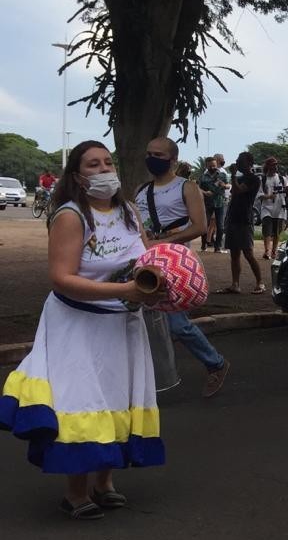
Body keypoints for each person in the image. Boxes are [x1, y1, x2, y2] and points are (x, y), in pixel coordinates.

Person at [0, 140, 165, 520]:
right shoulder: (70, 216)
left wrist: (161, 285)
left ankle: (105, 482)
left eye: (108, 161)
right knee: (81, 402)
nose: (105, 169)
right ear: (77, 175)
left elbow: (146, 257)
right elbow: (61, 278)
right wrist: (124, 290)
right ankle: (75, 493)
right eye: (93, 164)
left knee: (117, 398)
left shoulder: (128, 211)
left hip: (122, 322)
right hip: (77, 323)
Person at [137, 137, 231, 396]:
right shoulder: (141, 190)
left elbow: (199, 227)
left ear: (173, 160)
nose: (152, 158)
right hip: (145, 260)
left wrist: (163, 241)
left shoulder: (186, 187)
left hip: (173, 263)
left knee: (176, 323)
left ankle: (216, 363)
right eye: (149, 153)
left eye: (158, 154)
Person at [220, 152, 264, 294]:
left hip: (244, 219)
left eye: (240, 161)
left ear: (249, 163)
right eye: (237, 160)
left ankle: (260, 282)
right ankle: (235, 284)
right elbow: (234, 192)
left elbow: (238, 190)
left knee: (248, 253)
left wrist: (232, 175)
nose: (237, 163)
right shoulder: (240, 178)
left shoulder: (254, 179)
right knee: (234, 253)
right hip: (234, 217)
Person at [259, 157, 288, 259]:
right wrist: (269, 196)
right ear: (268, 166)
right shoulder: (262, 179)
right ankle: (267, 251)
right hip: (267, 208)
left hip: (280, 208)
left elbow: (287, 190)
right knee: (267, 229)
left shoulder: (282, 179)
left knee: (277, 232)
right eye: (273, 165)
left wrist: (287, 190)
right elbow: (259, 195)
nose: (275, 166)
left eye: (276, 164)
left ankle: (274, 252)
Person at [198, 156, 227, 253]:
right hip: (207, 203)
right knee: (205, 225)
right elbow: (198, 188)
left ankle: (217, 247)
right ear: (206, 166)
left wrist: (225, 186)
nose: (212, 168)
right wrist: (205, 193)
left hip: (219, 203)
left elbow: (228, 185)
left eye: (214, 165)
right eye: (210, 166)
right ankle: (203, 245)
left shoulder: (222, 175)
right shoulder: (203, 177)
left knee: (220, 226)